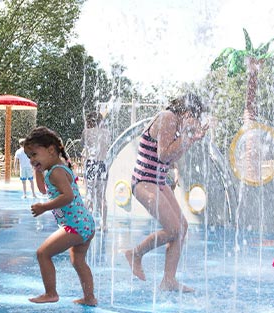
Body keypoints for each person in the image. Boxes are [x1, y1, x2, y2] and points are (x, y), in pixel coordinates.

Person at [125, 93, 208, 293]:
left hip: (158, 181)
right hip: (144, 180)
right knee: (173, 229)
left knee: (182, 227)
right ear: (188, 112)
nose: (197, 121)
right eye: (196, 117)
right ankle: (135, 253)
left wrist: (190, 139)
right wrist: (188, 135)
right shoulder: (169, 117)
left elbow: (173, 158)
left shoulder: (176, 123)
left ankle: (169, 280)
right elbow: (163, 155)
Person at [24, 126, 97, 306]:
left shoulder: (56, 171)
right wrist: (37, 169)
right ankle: (89, 298)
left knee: (43, 253)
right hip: (85, 224)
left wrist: (44, 207)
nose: (32, 159)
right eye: (29, 157)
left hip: (74, 225)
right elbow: (43, 189)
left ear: (50, 150)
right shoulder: (55, 170)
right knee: (78, 260)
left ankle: (51, 293)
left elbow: (68, 196)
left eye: (34, 154)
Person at [81, 111, 110, 232]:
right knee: (102, 196)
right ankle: (104, 224)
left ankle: (89, 223)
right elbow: (107, 146)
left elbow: (83, 145)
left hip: (91, 164)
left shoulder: (86, 132)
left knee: (89, 194)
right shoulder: (107, 133)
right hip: (103, 164)